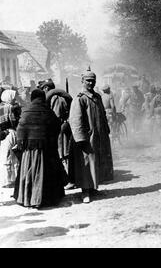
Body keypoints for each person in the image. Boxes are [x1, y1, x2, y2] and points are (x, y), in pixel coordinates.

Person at [14, 89, 66, 208]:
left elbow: (20, 129)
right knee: (44, 173)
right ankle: (43, 199)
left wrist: (21, 143)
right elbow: (57, 126)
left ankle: (28, 198)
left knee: (29, 172)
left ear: (32, 98)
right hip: (45, 149)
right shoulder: (48, 111)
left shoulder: (26, 111)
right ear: (43, 98)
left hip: (29, 150)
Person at [68, 70, 114, 203]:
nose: (90, 83)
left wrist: (106, 129)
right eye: (88, 80)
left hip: (98, 136)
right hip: (87, 138)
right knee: (86, 164)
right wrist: (81, 139)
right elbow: (76, 120)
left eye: (93, 80)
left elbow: (103, 115)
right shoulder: (80, 98)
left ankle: (93, 188)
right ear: (82, 81)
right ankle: (85, 192)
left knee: (96, 162)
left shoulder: (97, 97)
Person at [40, 79, 74, 190]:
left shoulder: (55, 98)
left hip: (60, 129)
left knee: (63, 154)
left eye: (43, 88)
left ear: (46, 88)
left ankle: (70, 180)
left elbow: (57, 115)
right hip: (59, 128)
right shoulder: (56, 97)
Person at [0, 90, 20, 188]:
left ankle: (6, 180)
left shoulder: (1, 106)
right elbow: (14, 121)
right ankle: (15, 179)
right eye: (13, 97)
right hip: (11, 132)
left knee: (5, 156)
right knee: (15, 156)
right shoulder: (11, 107)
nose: (15, 99)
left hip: (3, 134)